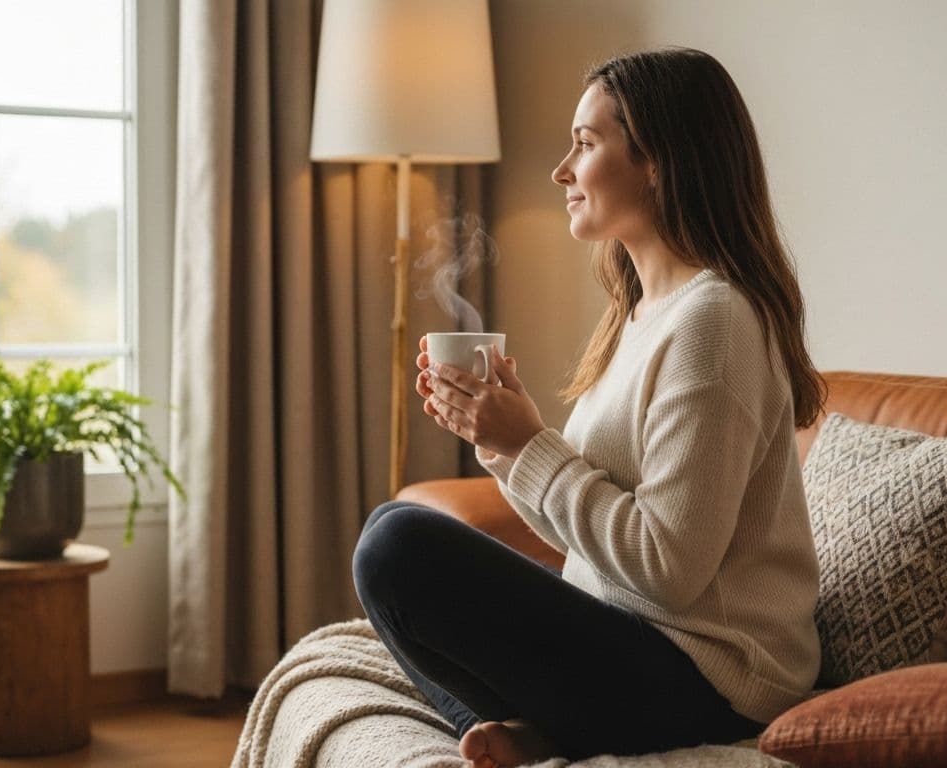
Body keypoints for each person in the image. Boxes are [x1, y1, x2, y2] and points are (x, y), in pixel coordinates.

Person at [351, 47, 826, 767]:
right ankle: (535, 735)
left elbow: (668, 568)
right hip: (633, 634)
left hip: (712, 682)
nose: (561, 171)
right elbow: (594, 541)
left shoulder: (714, 323)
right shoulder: (640, 314)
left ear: (656, 161)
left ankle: (536, 732)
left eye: (585, 143)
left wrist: (532, 446)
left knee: (399, 550)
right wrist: (503, 442)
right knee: (388, 526)